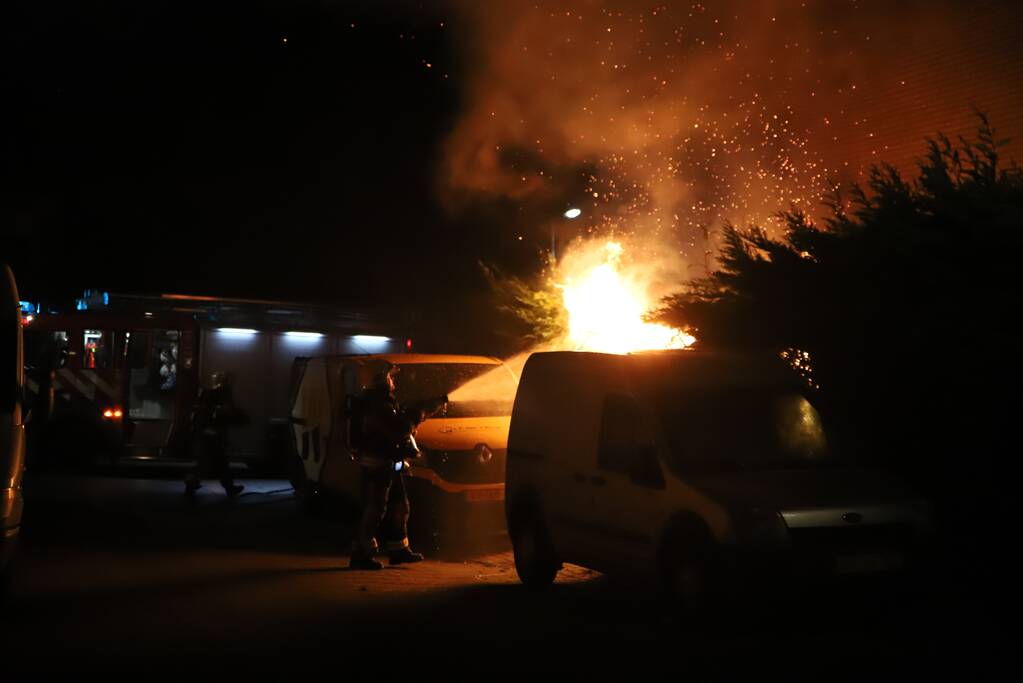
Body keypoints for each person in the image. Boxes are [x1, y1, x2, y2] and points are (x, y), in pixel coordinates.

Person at [349, 360, 446, 570]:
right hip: (378, 466)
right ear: (380, 379)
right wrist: (419, 413)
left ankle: (398, 550)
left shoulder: (380, 402)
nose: (393, 381)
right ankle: (361, 554)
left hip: (388, 464)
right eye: (390, 377)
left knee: (400, 506)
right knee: (375, 510)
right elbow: (399, 429)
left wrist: (426, 408)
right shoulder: (377, 405)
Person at [184, 371, 246, 498]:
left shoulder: (208, 393)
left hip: (206, 432)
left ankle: (193, 485)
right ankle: (228, 488)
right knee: (218, 462)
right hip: (212, 434)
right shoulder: (223, 394)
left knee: (210, 462)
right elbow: (227, 411)